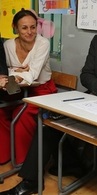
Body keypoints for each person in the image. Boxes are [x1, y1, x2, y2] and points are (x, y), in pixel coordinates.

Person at [0, 4, 97, 195]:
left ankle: (75, 165)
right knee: (48, 122)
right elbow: (86, 76)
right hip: (91, 100)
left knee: (51, 123)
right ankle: (32, 181)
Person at [0, 9, 57, 165]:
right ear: (15, 28)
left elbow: (33, 75)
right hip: (19, 91)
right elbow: (5, 70)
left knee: (22, 117)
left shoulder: (43, 43)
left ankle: (24, 163)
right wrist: (16, 71)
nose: (30, 32)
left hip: (43, 92)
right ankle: (5, 155)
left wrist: (18, 73)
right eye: (24, 27)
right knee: (1, 111)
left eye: (33, 27)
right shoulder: (8, 45)